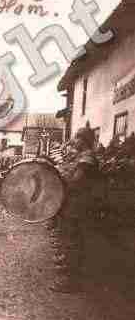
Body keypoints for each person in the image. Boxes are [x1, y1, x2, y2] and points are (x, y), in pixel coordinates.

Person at [51, 125, 99, 293]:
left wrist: (60, 177)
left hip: (78, 204)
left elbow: (76, 182)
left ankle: (71, 281)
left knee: (73, 240)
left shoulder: (87, 158)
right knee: (70, 238)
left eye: (77, 138)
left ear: (83, 140)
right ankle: (69, 271)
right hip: (74, 203)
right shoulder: (82, 156)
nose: (74, 141)